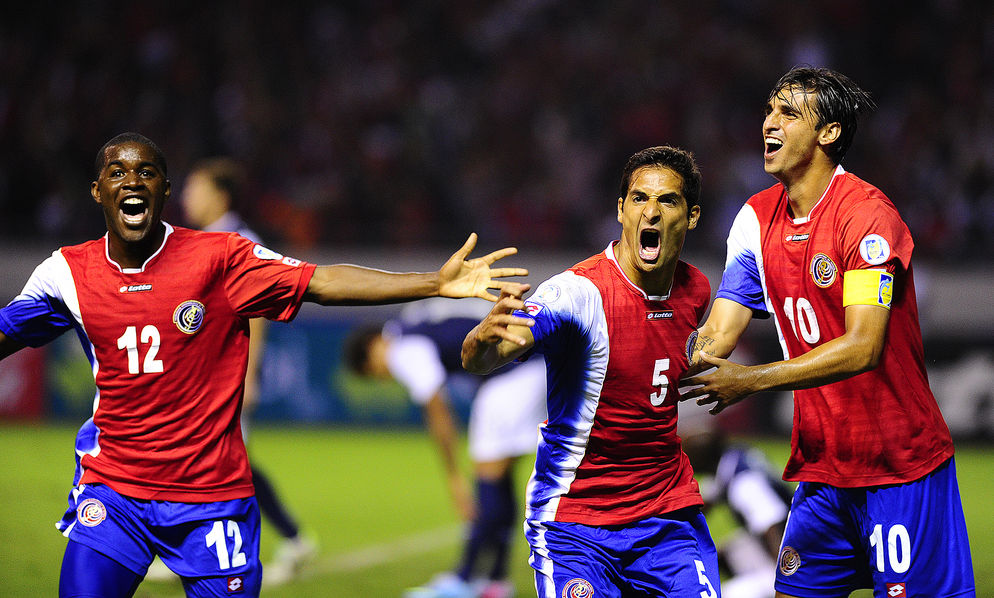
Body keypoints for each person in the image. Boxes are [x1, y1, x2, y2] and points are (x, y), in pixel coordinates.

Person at [0, 132, 527, 598]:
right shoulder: (67, 273)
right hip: (114, 491)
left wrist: (433, 282)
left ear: (165, 190)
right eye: (117, 172)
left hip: (211, 500)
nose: (132, 181)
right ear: (97, 191)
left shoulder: (221, 257)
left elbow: (322, 281)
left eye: (147, 172)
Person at [680, 67, 975, 597]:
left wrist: (753, 380)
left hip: (899, 467)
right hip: (822, 471)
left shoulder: (865, 216)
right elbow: (718, 333)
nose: (769, 123)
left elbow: (864, 346)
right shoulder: (755, 220)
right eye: (769, 110)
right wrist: (647, 348)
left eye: (789, 113)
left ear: (829, 132)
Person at [462, 146, 721, 597]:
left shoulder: (696, 289)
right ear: (621, 210)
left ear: (692, 216)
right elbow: (489, 355)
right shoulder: (577, 293)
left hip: (665, 516)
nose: (651, 212)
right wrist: (483, 340)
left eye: (667, 201)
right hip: (576, 523)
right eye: (639, 199)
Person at [344, 298, 547, 598]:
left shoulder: (403, 349)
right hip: (533, 363)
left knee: (488, 478)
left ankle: (464, 579)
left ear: (373, 348)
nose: (382, 377)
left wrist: (454, 477)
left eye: (373, 371)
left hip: (512, 374)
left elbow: (437, 408)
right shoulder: (413, 324)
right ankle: (496, 580)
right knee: (500, 477)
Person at [179, 156, 315, 584]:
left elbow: (256, 315)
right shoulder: (195, 240)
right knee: (217, 462)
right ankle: (196, 547)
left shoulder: (240, 241)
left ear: (220, 196)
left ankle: (282, 540)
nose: (186, 196)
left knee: (227, 464)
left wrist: (249, 376)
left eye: (195, 188)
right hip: (198, 379)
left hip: (225, 378)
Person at [681, 428, 792, 598]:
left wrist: (786, 582)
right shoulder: (730, 461)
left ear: (703, 459)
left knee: (728, 594)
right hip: (775, 542)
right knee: (718, 553)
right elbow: (701, 506)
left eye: (690, 457)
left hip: (790, 556)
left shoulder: (744, 483)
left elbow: (772, 527)